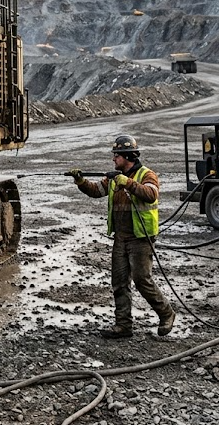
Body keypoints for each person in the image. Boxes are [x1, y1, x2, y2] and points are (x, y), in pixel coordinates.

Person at [68, 134, 176, 339]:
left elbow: (151, 194)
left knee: (141, 279)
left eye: (116, 156)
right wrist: (80, 181)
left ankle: (167, 314)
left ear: (127, 157)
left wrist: (127, 183)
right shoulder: (112, 178)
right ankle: (123, 325)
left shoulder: (146, 175)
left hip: (140, 237)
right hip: (121, 237)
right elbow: (96, 191)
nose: (113, 159)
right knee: (119, 281)